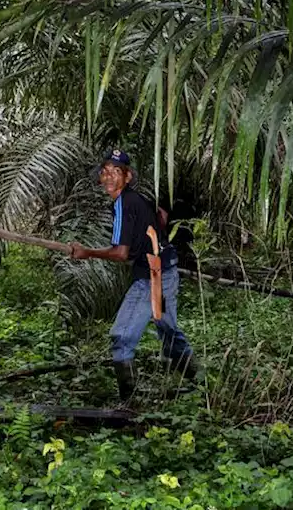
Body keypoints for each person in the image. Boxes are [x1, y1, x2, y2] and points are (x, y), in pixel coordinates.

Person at [68, 149, 198, 402]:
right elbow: (157, 222)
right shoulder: (135, 200)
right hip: (166, 270)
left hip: (152, 277)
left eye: (116, 172)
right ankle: (198, 380)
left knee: (121, 336)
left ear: (128, 177)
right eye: (105, 172)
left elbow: (121, 253)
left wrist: (87, 252)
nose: (109, 177)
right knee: (168, 329)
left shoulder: (123, 203)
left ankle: (130, 400)